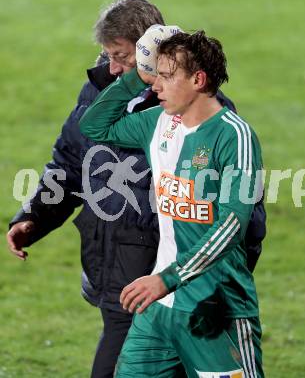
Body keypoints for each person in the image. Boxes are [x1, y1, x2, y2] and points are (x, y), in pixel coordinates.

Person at [5, 0, 252, 378]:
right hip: (122, 277)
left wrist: (216, 286)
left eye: (121, 56)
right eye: (107, 56)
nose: (112, 67)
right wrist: (36, 215)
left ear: (148, 51)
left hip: (186, 288)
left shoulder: (207, 115)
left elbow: (240, 220)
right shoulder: (107, 92)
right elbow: (75, 155)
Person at [80, 28, 264, 377]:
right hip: (159, 310)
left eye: (166, 76)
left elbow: (231, 227)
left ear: (198, 79)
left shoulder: (234, 135)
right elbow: (94, 125)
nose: (155, 86)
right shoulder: (158, 123)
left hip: (215, 310)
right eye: (155, 75)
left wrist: (168, 277)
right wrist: (136, 76)